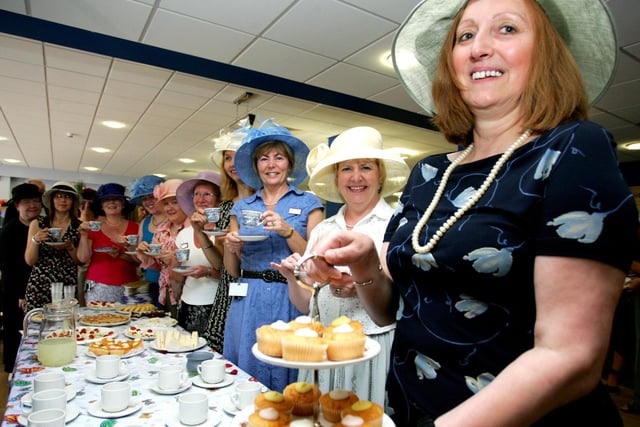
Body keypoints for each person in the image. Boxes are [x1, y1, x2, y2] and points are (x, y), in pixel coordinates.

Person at [298, 0, 639, 425]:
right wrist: (367, 260)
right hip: (408, 407)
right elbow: (392, 313)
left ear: (545, 54)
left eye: (507, 29)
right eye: (465, 35)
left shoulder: (572, 148)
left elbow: (571, 357)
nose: (479, 47)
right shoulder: (430, 172)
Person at [274, 126, 409, 406]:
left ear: (380, 174)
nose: (356, 177)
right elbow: (305, 303)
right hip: (321, 351)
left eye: (366, 167)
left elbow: (401, 302)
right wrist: (291, 278)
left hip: (371, 349)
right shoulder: (323, 228)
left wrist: (359, 285)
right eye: (347, 168)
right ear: (337, 178)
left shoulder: (398, 225)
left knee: (361, 417)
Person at [223, 120, 324, 391]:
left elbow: (315, 261)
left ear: (289, 164)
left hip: (291, 294)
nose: (271, 165)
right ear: (256, 166)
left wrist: (288, 230)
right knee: (248, 360)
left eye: (279, 157)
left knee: (289, 364)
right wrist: (230, 247)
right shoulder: (242, 207)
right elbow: (232, 271)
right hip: (248, 294)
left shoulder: (309, 203)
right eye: (264, 159)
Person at [202, 127, 255, 352]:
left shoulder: (267, 204)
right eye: (227, 158)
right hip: (227, 291)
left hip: (256, 286)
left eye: (239, 155)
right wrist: (201, 232)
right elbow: (218, 264)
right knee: (224, 357)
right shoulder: (223, 208)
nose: (232, 163)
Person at [174, 171, 223, 336]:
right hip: (187, 302)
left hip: (215, 304)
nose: (201, 199)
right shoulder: (184, 234)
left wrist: (207, 272)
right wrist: (169, 261)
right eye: (197, 194)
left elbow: (232, 276)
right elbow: (177, 276)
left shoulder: (223, 233)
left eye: (207, 194)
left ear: (219, 199)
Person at [0, 183, 42, 375]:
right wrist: (21, 293)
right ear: (17, 205)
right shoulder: (9, 230)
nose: (32, 205)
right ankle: (14, 374)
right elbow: (8, 268)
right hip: (16, 292)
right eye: (26, 202)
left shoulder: (44, 226)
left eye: (36, 201)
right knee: (16, 334)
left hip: (39, 289)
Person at [24, 182, 82, 312]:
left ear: (73, 201)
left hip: (67, 285)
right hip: (40, 283)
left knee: (66, 326)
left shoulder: (78, 226)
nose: (63, 200)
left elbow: (81, 261)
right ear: (51, 200)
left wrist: (70, 248)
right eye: (58, 196)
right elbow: (30, 261)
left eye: (67, 197)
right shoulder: (38, 223)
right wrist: (36, 240)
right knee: (38, 326)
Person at [77, 183, 139, 304]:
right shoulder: (93, 226)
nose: (111, 203)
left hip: (129, 286)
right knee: (97, 321)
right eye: (106, 200)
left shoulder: (135, 227)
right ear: (101, 205)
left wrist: (122, 254)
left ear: (123, 204)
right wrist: (84, 235)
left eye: (116, 199)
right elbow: (83, 258)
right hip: (98, 286)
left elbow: (139, 261)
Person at [137, 179, 187, 318]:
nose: (169, 207)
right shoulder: (162, 229)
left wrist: (174, 259)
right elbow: (156, 266)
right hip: (166, 291)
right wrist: (145, 252)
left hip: (189, 292)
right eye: (165, 203)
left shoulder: (193, 228)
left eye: (175, 202)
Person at [129, 175, 168, 307]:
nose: (148, 202)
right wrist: (133, 248)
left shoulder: (174, 220)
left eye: (152, 197)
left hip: (171, 284)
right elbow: (139, 260)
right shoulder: (144, 223)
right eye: (144, 199)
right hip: (149, 284)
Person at [76, 187, 97, 306]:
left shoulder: (99, 223)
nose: (86, 207)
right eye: (83, 203)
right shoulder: (75, 224)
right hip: (80, 268)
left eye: (90, 204)